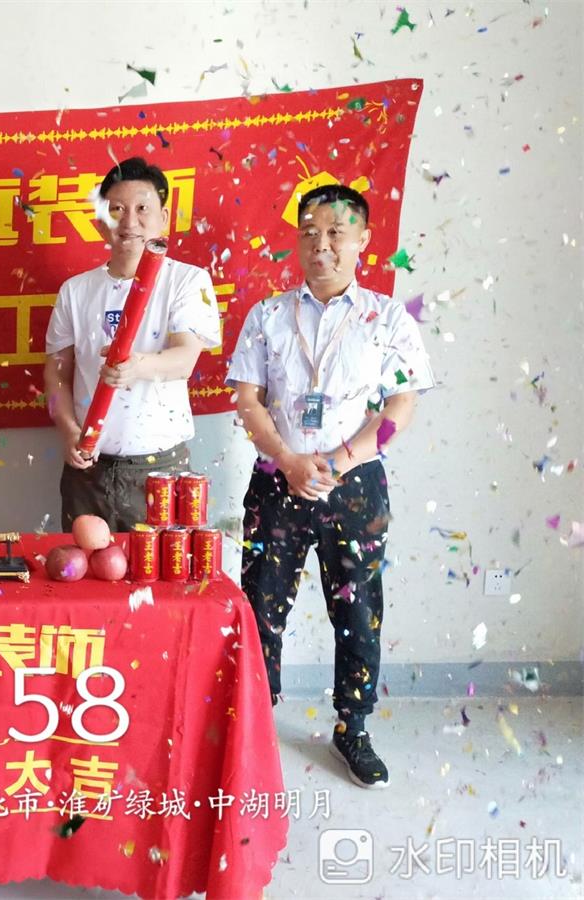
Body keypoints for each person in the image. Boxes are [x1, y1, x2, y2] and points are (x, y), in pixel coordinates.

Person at [226, 184, 434, 790]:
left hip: (356, 486)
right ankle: (257, 723)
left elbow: (400, 406)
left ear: (363, 239)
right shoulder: (268, 316)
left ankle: (353, 727)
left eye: (336, 232)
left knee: (359, 610)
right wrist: (288, 460)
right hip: (277, 482)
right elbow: (248, 400)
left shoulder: (387, 318)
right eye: (310, 232)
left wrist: (339, 461)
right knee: (260, 606)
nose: (321, 244)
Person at [43, 156, 221, 531]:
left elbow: (184, 359)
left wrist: (137, 367)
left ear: (164, 218)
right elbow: (57, 373)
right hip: (88, 470)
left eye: (142, 209)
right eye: (117, 210)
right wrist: (68, 429)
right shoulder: (76, 291)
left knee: (161, 569)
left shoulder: (188, 281)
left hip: (160, 471)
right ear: (100, 221)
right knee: (82, 566)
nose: (129, 222)